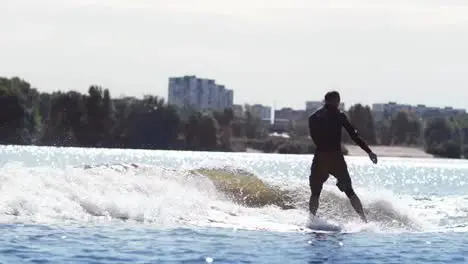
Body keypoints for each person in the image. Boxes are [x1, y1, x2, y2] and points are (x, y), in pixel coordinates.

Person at [308, 91, 378, 223]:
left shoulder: (313, 117)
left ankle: (311, 221)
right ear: (336, 101)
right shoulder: (339, 115)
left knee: (315, 193)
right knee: (350, 191)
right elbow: (354, 136)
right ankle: (364, 221)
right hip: (336, 158)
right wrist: (369, 151)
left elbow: (314, 138)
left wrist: (323, 149)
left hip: (321, 156)